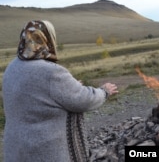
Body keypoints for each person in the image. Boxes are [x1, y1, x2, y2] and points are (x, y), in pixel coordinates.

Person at [2, 20, 118, 162]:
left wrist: (70, 86)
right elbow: (83, 100)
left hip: (16, 151)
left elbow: (36, 95)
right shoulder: (51, 72)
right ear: (48, 39)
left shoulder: (11, 68)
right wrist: (104, 91)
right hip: (44, 153)